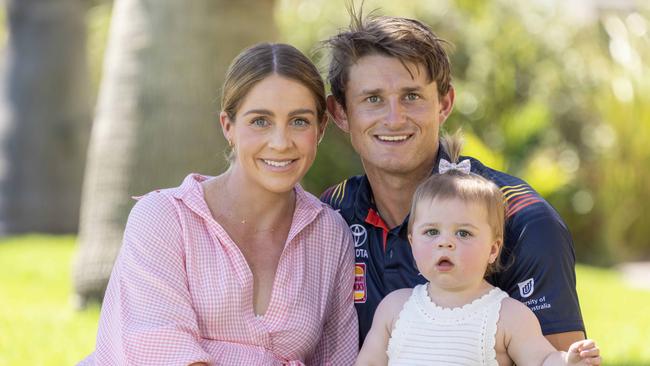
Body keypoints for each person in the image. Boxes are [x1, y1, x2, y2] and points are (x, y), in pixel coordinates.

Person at [320, 10, 585, 350]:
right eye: (373, 99)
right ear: (340, 112)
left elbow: (562, 357)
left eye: (411, 96)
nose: (394, 118)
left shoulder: (521, 219)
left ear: (444, 103)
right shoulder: (330, 214)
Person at [80, 43, 358, 365]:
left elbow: (338, 356)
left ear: (321, 128)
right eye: (260, 121)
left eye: (299, 121)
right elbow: (160, 349)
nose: (281, 142)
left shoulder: (330, 234)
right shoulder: (164, 218)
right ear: (228, 126)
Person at [354, 134, 601, 365]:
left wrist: (567, 360)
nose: (445, 242)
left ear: (493, 249)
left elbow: (542, 359)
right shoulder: (395, 308)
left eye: (463, 233)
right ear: (412, 242)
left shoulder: (507, 315)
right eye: (431, 232)